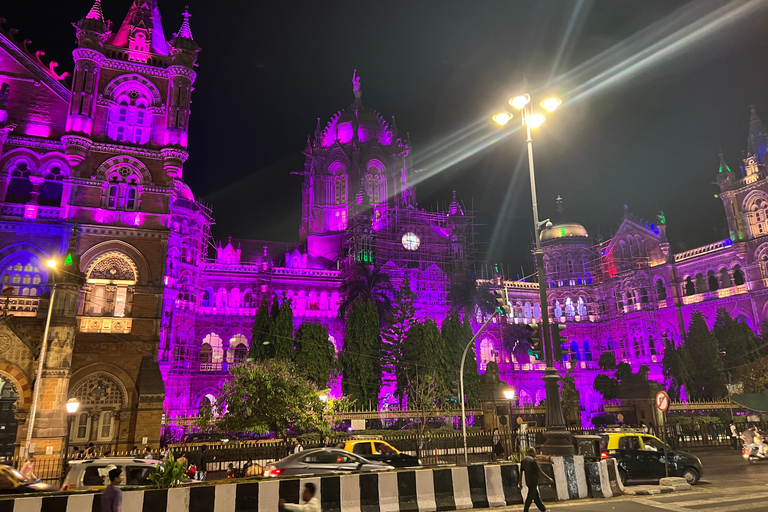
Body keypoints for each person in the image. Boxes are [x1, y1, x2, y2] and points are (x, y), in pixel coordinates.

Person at [518, 447, 554, 512]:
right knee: (530, 496)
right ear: (532, 452)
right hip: (534, 480)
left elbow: (521, 471)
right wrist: (549, 478)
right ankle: (525, 510)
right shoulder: (533, 461)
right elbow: (540, 471)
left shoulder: (524, 460)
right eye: (534, 452)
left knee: (535, 495)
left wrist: (520, 482)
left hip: (528, 480)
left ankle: (543, 509)